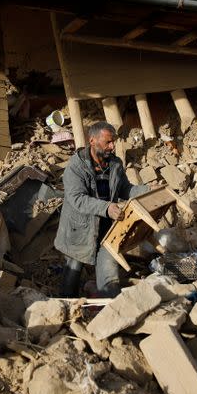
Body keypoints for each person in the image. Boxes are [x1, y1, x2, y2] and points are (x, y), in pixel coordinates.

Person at [54, 121, 148, 298]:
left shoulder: (115, 164)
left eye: (113, 142)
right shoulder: (76, 166)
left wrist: (147, 190)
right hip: (80, 229)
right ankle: (66, 307)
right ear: (92, 141)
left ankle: (109, 309)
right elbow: (77, 198)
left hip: (106, 228)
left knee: (109, 270)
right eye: (108, 142)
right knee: (72, 272)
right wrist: (107, 207)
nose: (112, 147)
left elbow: (124, 189)